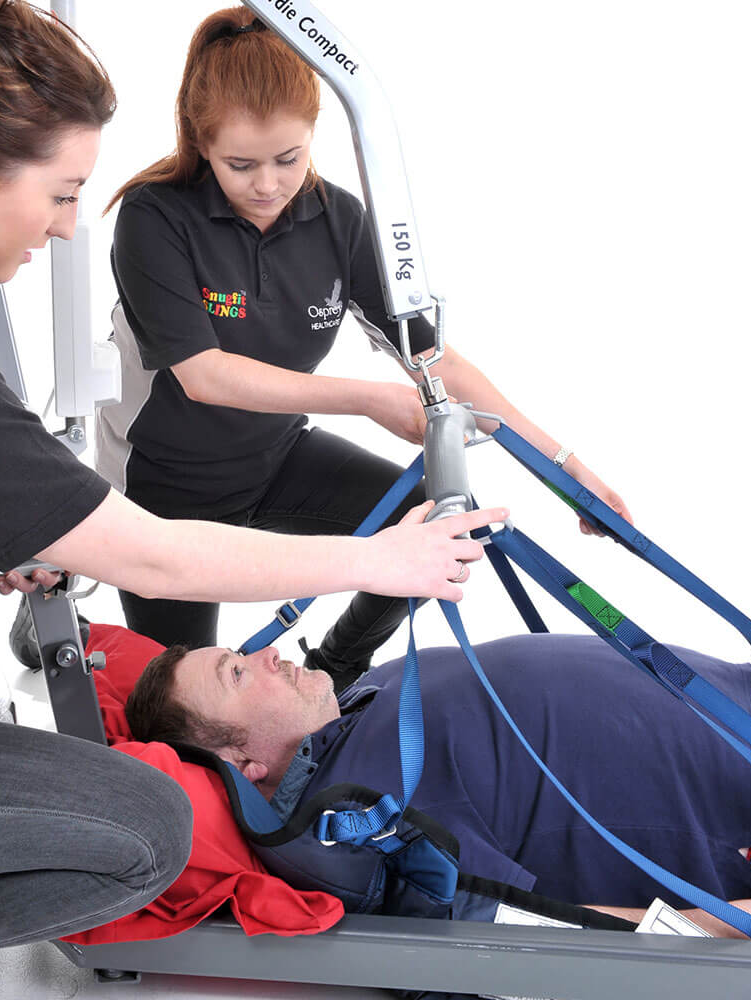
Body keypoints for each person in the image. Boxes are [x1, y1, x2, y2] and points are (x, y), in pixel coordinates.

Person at [0, 2, 506, 997]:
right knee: (146, 832)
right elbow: (149, 553)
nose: (68, 223)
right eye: (62, 192)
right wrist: (383, 558)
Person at [90, 6, 632, 686]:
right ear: (201, 144)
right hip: (164, 489)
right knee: (180, 702)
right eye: (241, 164)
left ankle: (338, 669)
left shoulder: (338, 219)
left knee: (436, 528)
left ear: (314, 133)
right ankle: (59, 614)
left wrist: (568, 473)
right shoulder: (153, 216)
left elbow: (435, 361)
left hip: (275, 459)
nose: (268, 184)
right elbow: (205, 376)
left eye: (289, 158)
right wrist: (369, 399)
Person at [125, 635, 751, 936]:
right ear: (242, 764)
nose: (268, 654)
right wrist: (745, 926)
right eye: (237, 674)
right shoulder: (360, 824)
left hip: (744, 690)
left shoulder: (360, 698)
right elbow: (556, 937)